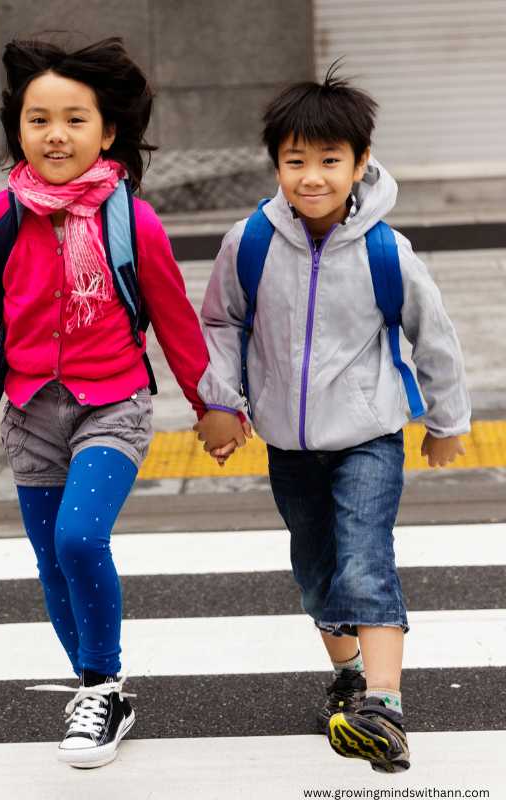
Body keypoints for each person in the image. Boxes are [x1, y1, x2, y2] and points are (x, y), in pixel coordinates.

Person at [0, 36, 245, 769]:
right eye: (39, 118)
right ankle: (97, 687)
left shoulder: (131, 221)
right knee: (50, 561)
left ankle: (102, 683)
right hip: (30, 414)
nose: (55, 134)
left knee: (79, 540)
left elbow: (173, 315)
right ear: (18, 130)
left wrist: (212, 404)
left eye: (75, 119)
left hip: (114, 404)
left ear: (108, 132)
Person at [193, 65, 471, 773]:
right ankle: (349, 674)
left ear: (360, 163)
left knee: (365, 560)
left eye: (329, 161)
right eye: (295, 161)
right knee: (317, 576)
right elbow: (220, 321)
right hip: (287, 442)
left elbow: (432, 336)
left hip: (370, 436)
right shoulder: (249, 241)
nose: (311, 176)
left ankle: (384, 705)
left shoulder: (387, 250)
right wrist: (220, 400)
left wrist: (447, 422)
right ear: (275, 163)